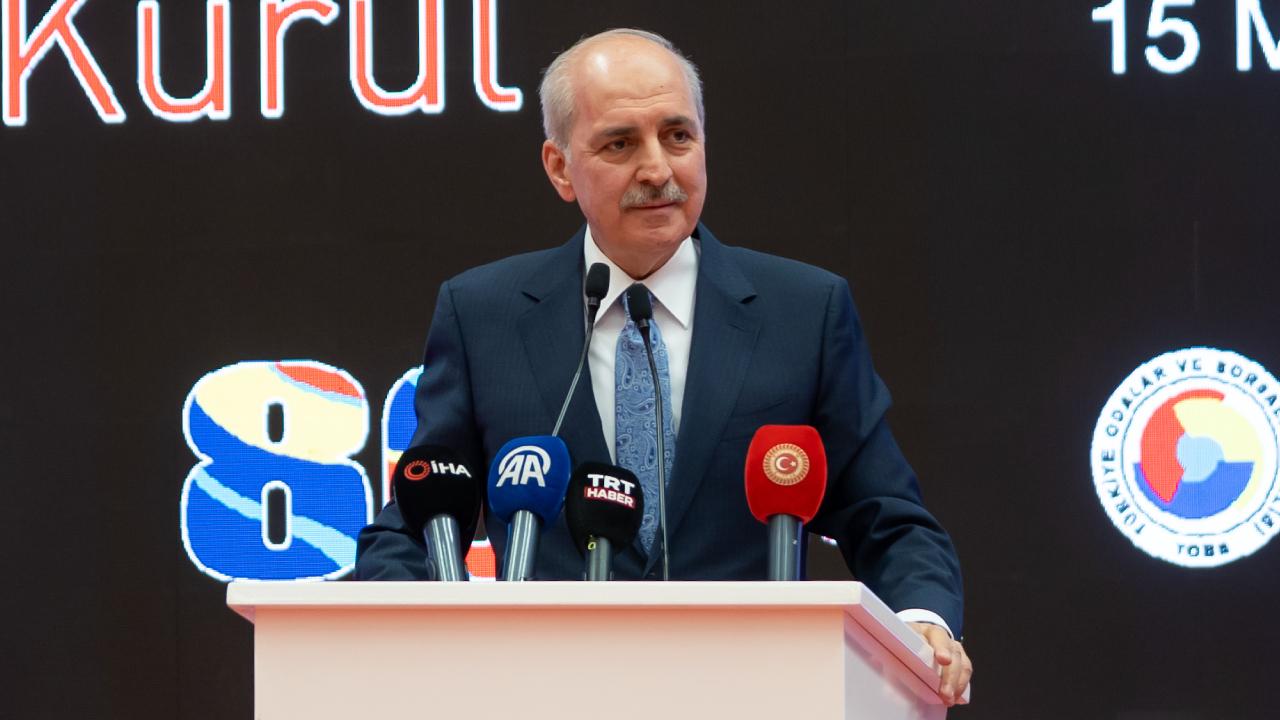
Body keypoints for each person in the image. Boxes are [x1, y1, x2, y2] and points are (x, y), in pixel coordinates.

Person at [355, 28, 973, 704]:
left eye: (678, 136)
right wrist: (410, 645)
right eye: (620, 144)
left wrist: (921, 620)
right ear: (560, 168)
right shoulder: (483, 315)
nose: (657, 170)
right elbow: (419, 519)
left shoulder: (805, 311)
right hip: (544, 696)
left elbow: (887, 516)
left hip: (756, 695)